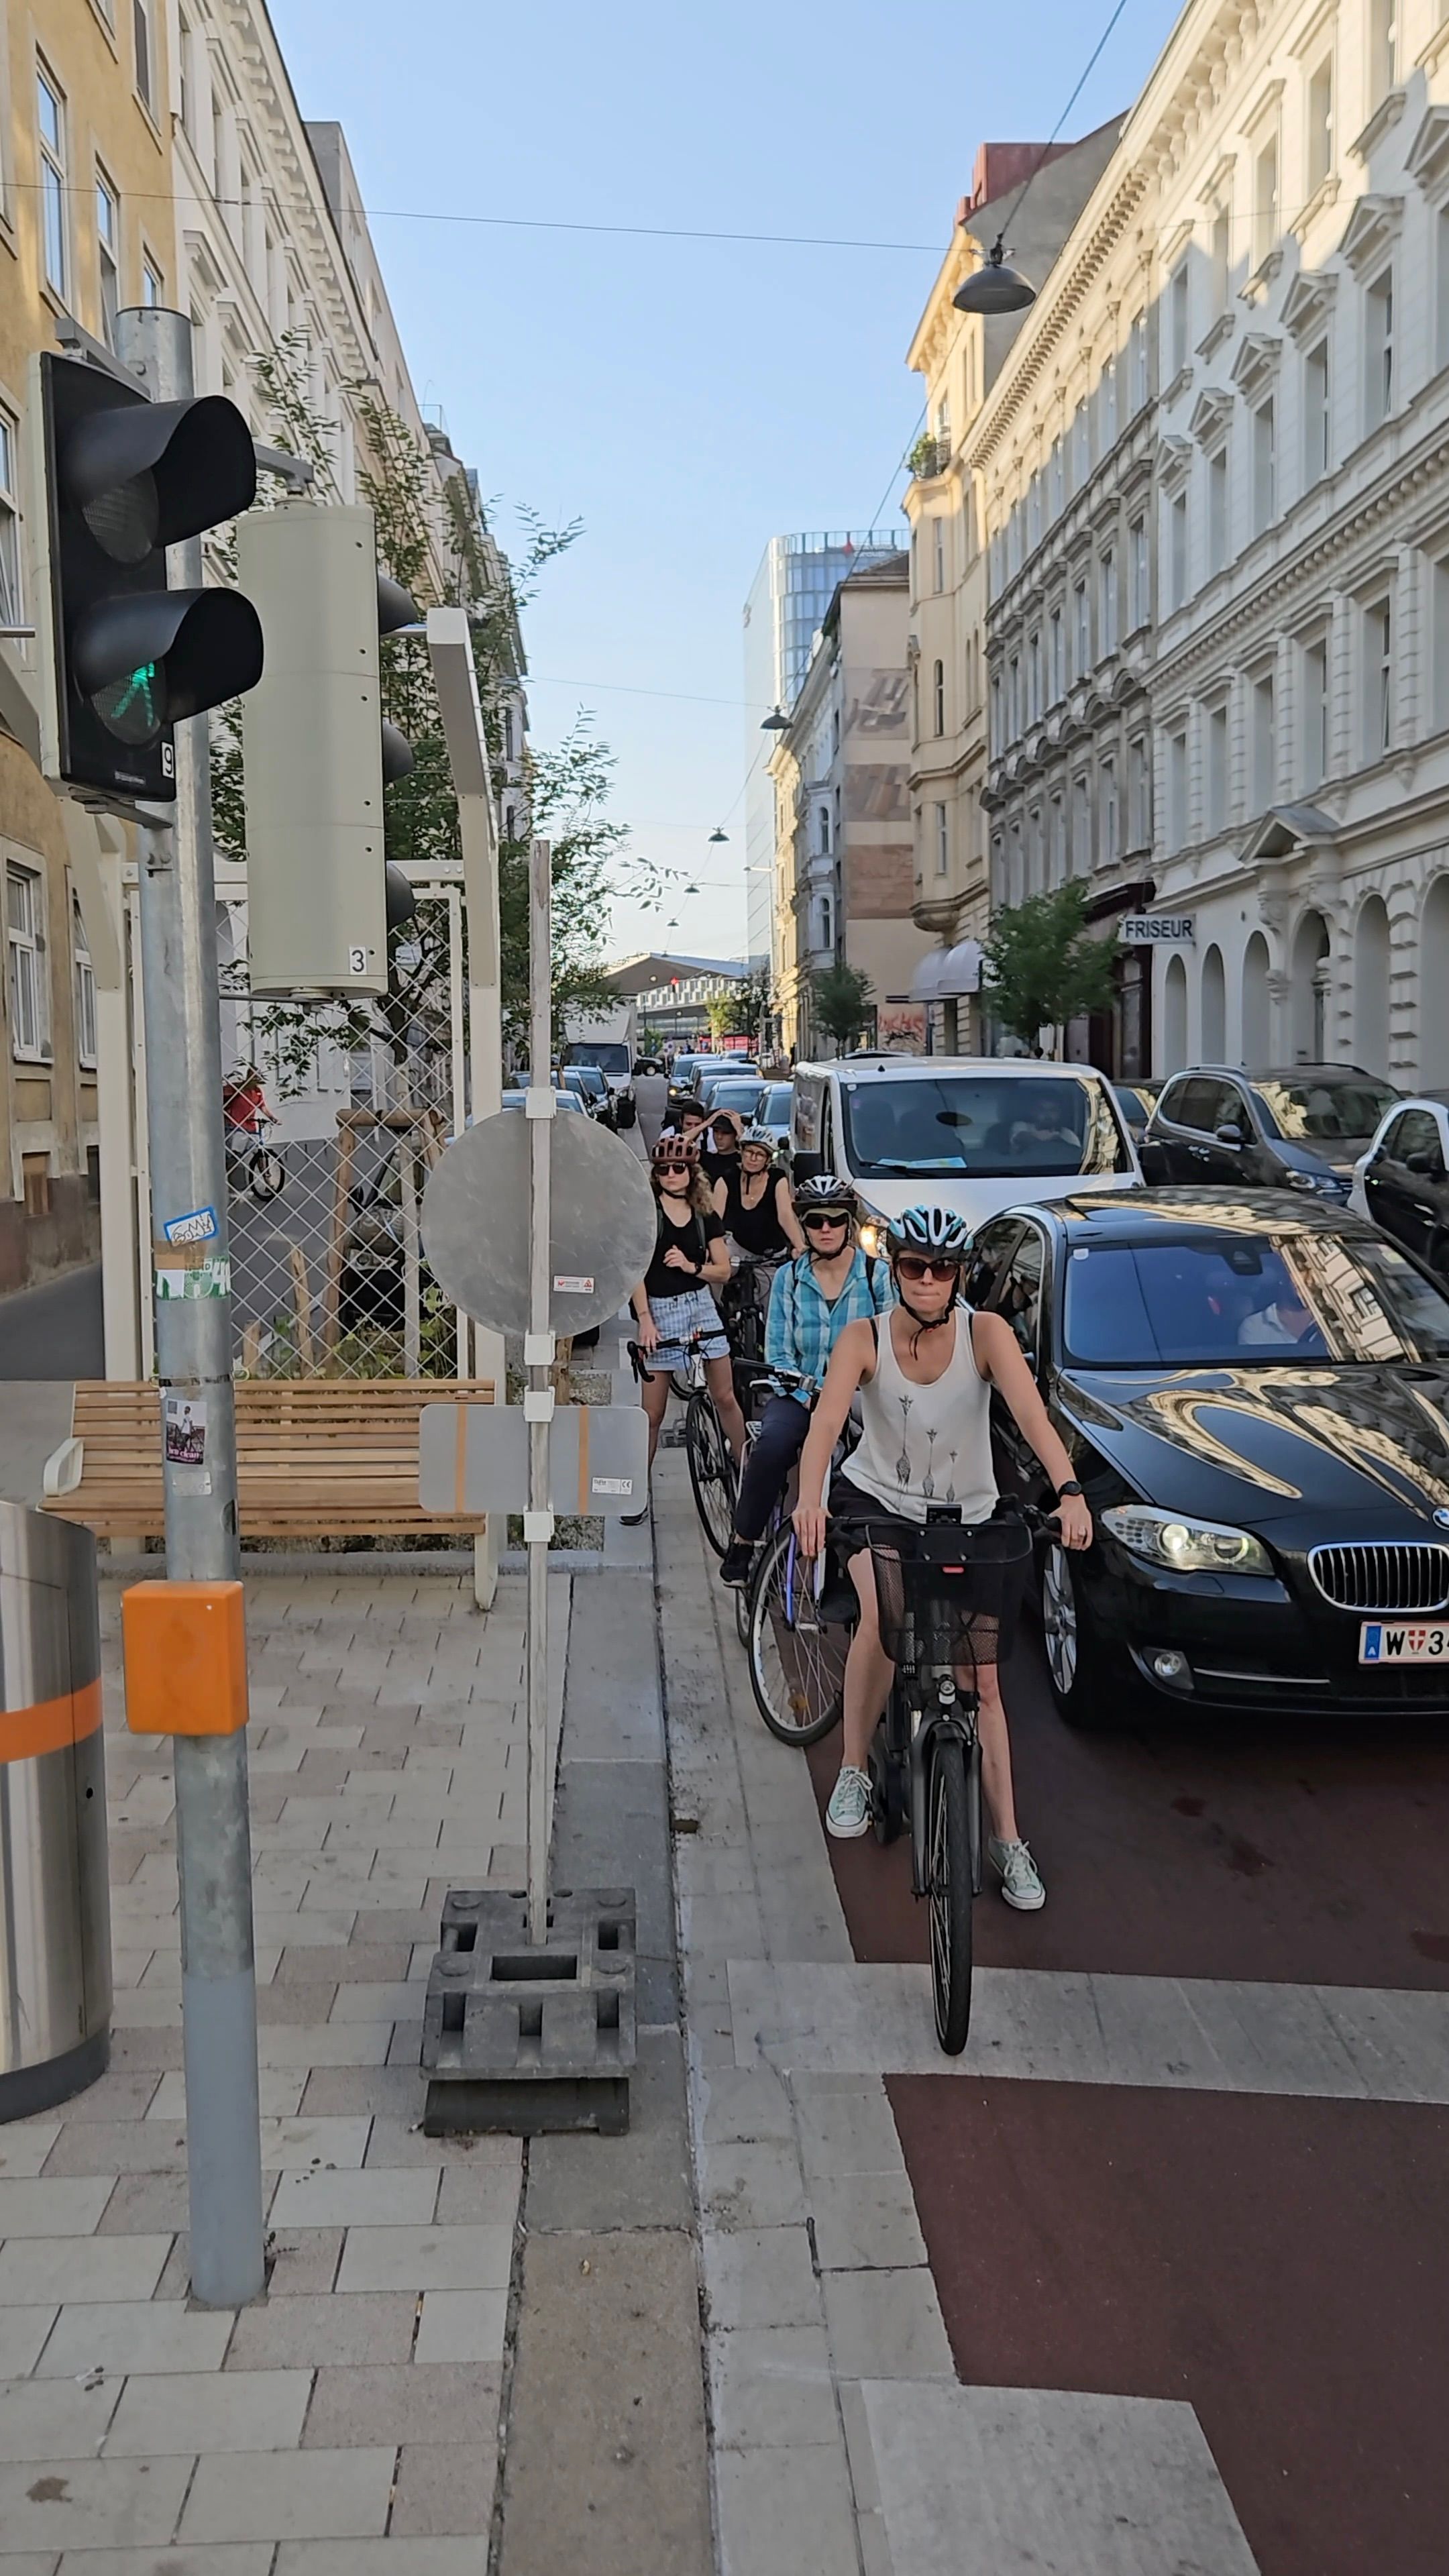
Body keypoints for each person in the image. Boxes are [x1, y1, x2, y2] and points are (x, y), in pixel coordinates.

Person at [792, 1203, 1092, 1907]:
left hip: (968, 1516)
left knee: (982, 1681)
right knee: (882, 1619)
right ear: (895, 1269)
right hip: (878, 1504)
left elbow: (1032, 1416)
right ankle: (855, 1770)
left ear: (959, 1275)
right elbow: (826, 1425)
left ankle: (1007, 1840)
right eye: (914, 1266)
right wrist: (809, 1499)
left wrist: (1071, 1491)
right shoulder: (862, 1338)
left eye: (943, 1268)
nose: (928, 1280)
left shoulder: (985, 1333)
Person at [716, 1177, 892, 1587]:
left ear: (849, 1223)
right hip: (800, 1392)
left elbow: (890, 1343)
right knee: (772, 1447)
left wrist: (852, 1391)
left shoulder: (876, 1275)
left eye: (835, 1219)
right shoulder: (789, 1278)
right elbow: (777, 1350)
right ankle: (743, 1542)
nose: (826, 1229)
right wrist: (805, 1392)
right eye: (815, 1221)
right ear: (804, 1226)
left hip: (860, 1395)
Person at [627, 1133, 746, 1522]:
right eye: (664, 1169)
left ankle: (749, 1475)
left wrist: (692, 1267)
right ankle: (635, 1493)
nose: (672, 1174)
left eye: (679, 1168)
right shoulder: (647, 1215)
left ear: (692, 1172)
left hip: (699, 1306)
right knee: (652, 1413)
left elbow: (723, 1271)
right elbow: (635, 1271)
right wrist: (645, 1319)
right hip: (659, 1310)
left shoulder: (704, 1215)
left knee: (725, 1396)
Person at [714, 1126, 804, 1267]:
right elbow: (715, 1221)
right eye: (749, 1152)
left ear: (768, 1159)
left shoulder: (778, 1179)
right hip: (736, 1251)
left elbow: (785, 1216)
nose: (753, 1159)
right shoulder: (726, 1180)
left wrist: (800, 1247)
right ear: (741, 1152)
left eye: (760, 1154)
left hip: (772, 1255)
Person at [699, 1109, 742, 1187]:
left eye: (726, 1133)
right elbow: (679, 1144)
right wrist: (706, 1123)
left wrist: (739, 1130)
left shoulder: (742, 1160)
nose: (719, 1137)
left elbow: (752, 1150)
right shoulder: (706, 1158)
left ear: (735, 1134)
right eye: (716, 1131)